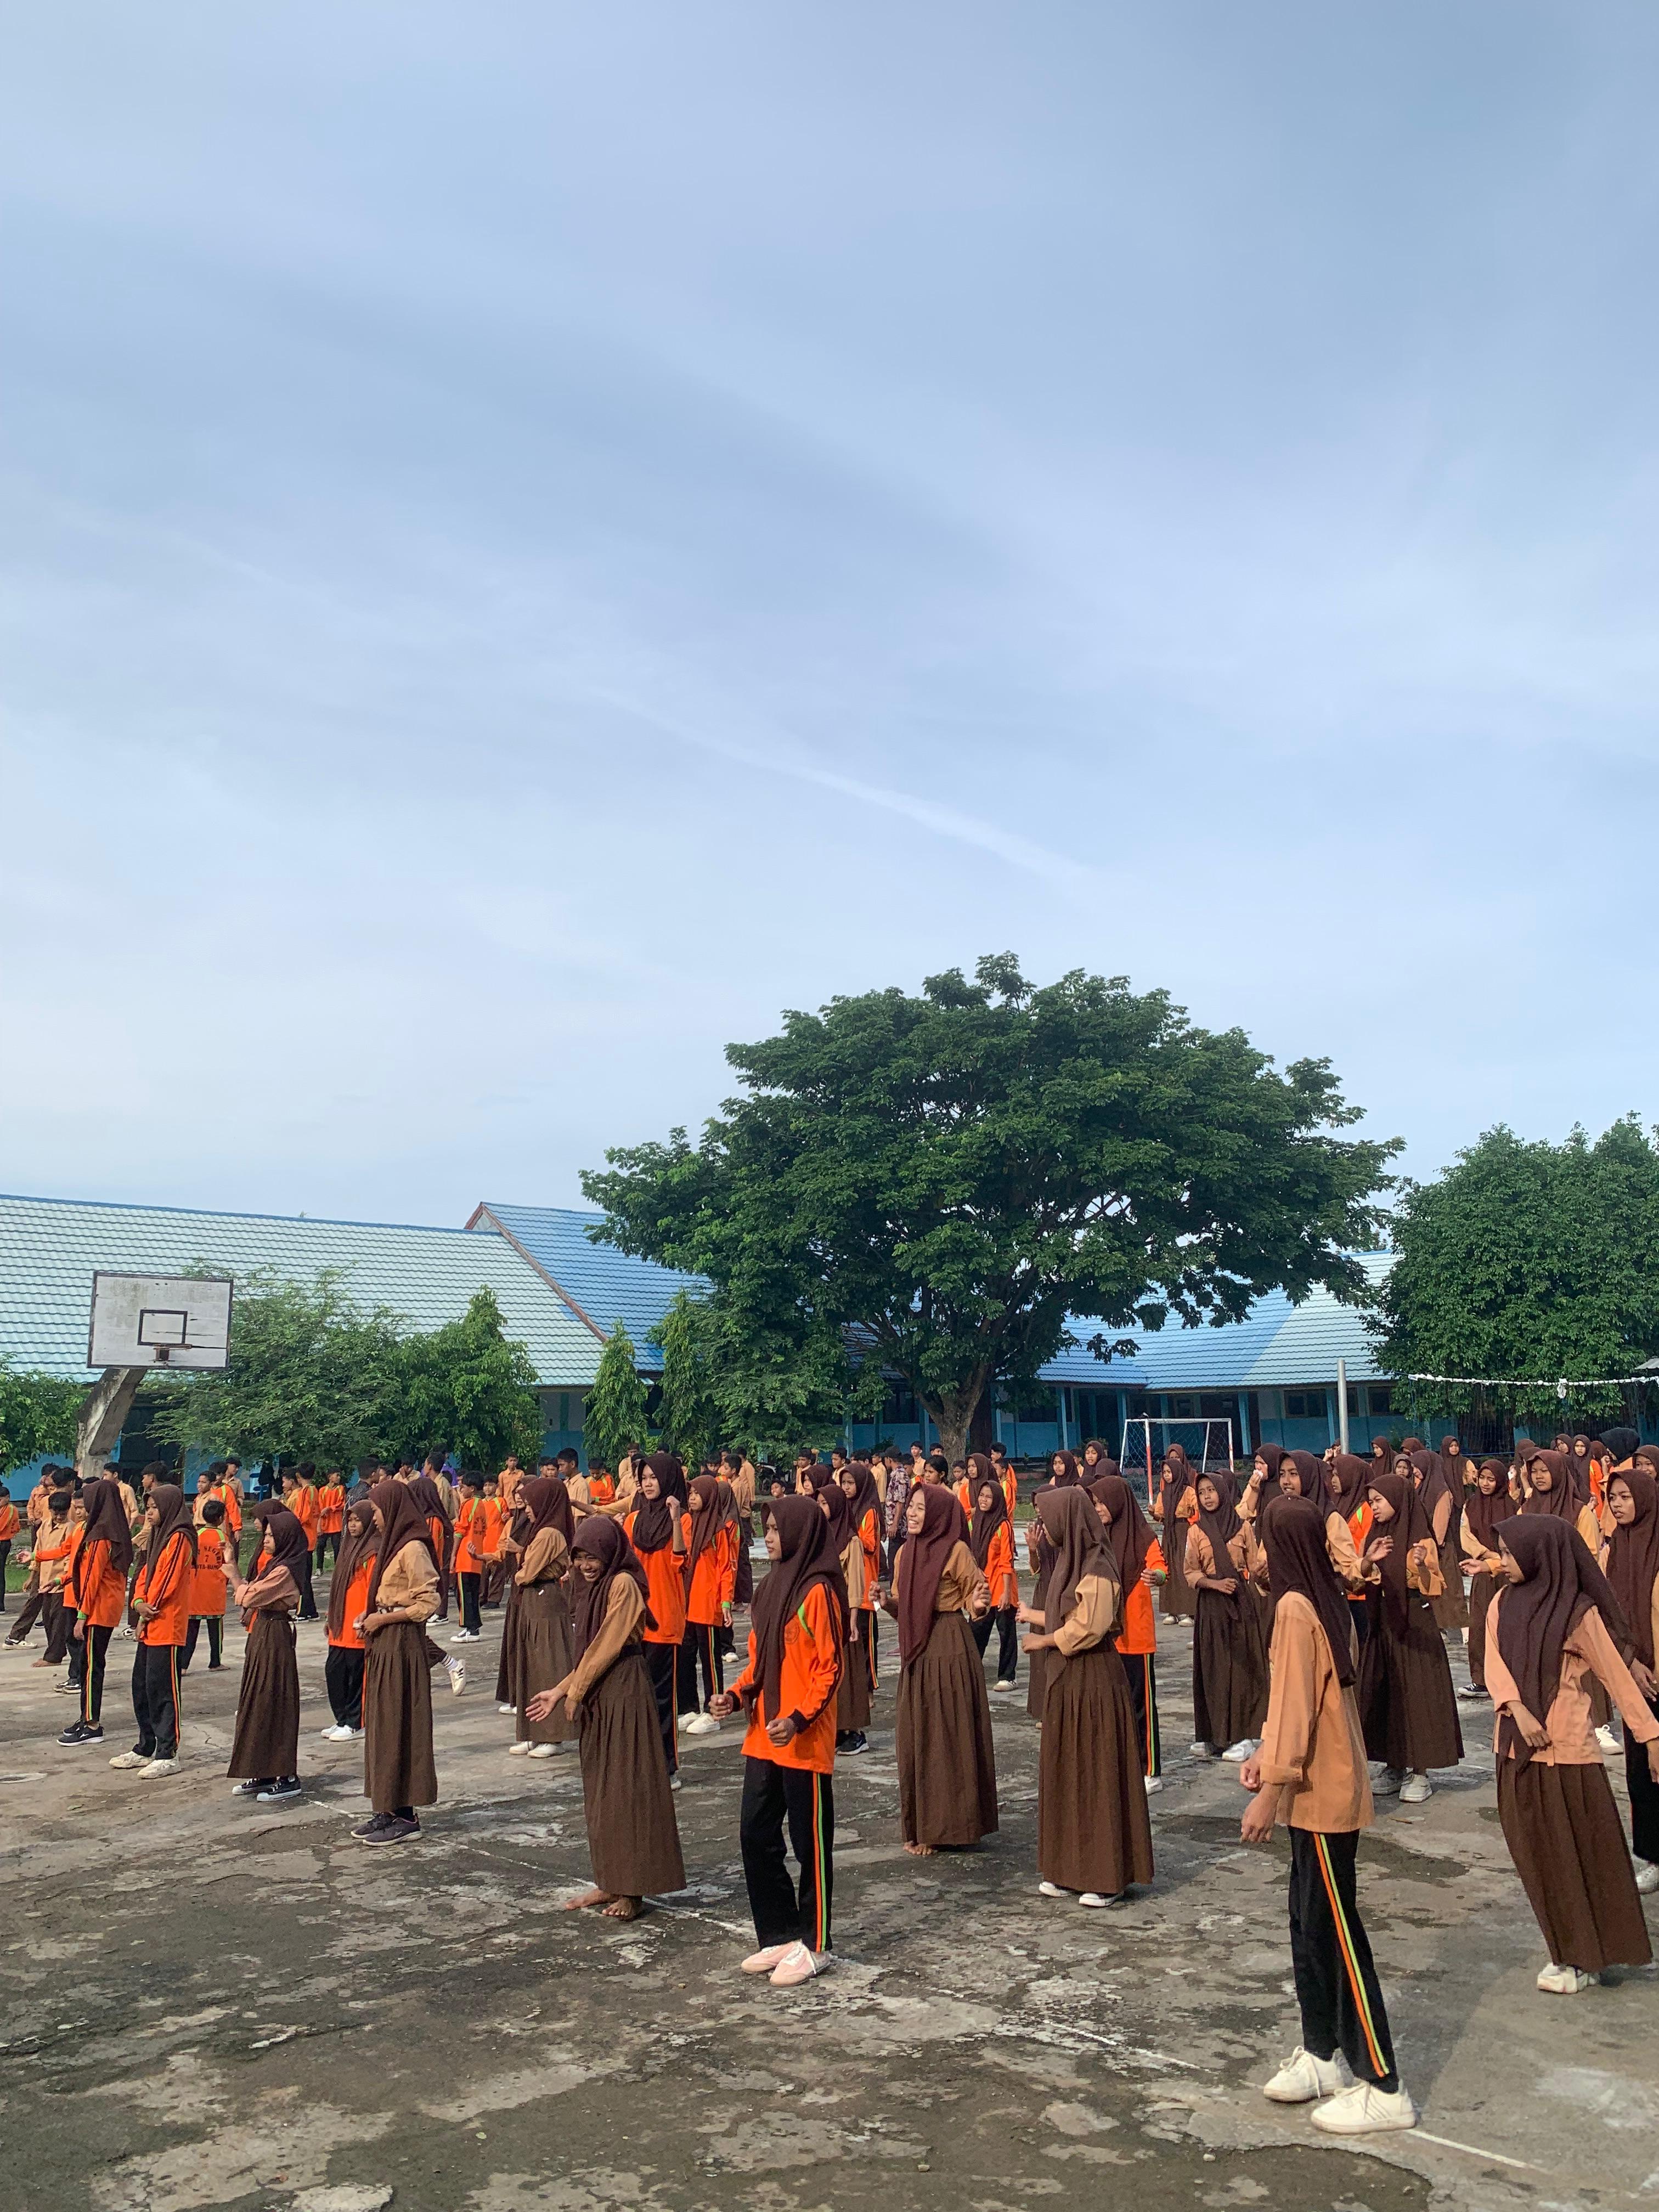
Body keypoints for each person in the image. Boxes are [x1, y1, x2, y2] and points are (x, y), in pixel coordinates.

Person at [1239, 1493, 1415, 2136]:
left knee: (1337, 1935)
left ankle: (1384, 2084)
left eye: (1264, 1539)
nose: (1259, 1552)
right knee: (1308, 1924)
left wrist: (1270, 1789)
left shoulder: (1295, 1606)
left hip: (1322, 1792)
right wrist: (1267, 1755)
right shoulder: (1323, 1596)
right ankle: (1321, 2054)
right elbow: (1297, 1701)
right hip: (1314, 1786)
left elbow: (1296, 1708)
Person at [1486, 1515, 1658, 1994]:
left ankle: (1582, 1958)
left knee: (1578, 1859)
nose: (1503, 1562)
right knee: (1537, 1859)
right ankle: (1567, 1951)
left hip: (1567, 1754)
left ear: (1541, 1555)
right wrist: (1517, 1709)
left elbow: (1614, 1676)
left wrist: (1650, 1736)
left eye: (1510, 1553)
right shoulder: (1501, 1602)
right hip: (1515, 1745)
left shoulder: (1578, 1613)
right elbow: (1494, 1663)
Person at [709, 1497, 844, 1985]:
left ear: (799, 1533)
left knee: (811, 1846)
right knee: (755, 1833)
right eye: (764, 1529)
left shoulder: (818, 1592)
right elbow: (759, 1662)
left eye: (774, 1529)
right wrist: (734, 1694)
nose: (766, 1538)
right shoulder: (769, 1589)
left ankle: (816, 1942)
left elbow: (830, 1669)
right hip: (764, 1736)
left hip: (802, 1739)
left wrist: (799, 1718)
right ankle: (781, 1933)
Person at [527, 1516, 685, 1921]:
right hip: (600, 1690)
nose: (585, 1565)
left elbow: (608, 1645)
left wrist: (576, 1692)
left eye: (593, 1557)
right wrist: (560, 1691)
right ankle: (610, 1880)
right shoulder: (594, 1587)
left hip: (624, 1690)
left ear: (611, 1552)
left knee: (626, 1788)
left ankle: (633, 1889)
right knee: (601, 1791)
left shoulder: (623, 1584)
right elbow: (589, 1654)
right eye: (579, 1557)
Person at [1020, 1487, 1153, 1908]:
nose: (1045, 1528)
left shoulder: (1097, 1565)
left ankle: (1106, 1875)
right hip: (1068, 1680)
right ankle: (1068, 1869)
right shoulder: (1069, 1562)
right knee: (1069, 1773)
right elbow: (1063, 1615)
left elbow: (1089, 1628)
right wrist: (1037, 1621)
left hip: (1093, 1679)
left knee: (1096, 1773)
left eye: (1049, 1519)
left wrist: (1043, 1642)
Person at [885, 1483, 996, 1856]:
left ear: (937, 1514)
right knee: (915, 1736)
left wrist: (978, 1605)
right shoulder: (905, 1553)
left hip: (949, 1646)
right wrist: (886, 1602)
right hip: (917, 1651)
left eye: (920, 1508)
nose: (912, 1513)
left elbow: (976, 1598)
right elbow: (902, 1605)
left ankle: (946, 1826)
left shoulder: (956, 1551)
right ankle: (920, 1824)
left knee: (946, 1736)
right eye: (911, 1507)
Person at [1357, 1470, 1463, 1803]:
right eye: (1371, 1502)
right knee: (1388, 1693)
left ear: (1397, 1500)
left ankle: (1419, 1772)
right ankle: (1393, 1765)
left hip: (1415, 1625)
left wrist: (1419, 1566)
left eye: (1379, 1500)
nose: (1374, 1507)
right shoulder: (1375, 1536)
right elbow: (1358, 1579)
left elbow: (1435, 1587)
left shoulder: (1420, 1539)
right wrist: (1366, 1562)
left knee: (1417, 1695)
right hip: (1383, 1623)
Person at [351, 1480, 440, 1844]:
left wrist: (385, 1618)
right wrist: (371, 1616)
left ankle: (405, 1815)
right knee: (383, 1725)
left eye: (376, 1510)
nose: (374, 1517)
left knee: (400, 1724)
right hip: (385, 1641)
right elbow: (389, 1596)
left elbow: (428, 1603)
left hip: (402, 1644)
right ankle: (385, 1808)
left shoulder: (413, 1548)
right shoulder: (392, 1547)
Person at [109, 1484, 196, 1778]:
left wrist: (147, 1610)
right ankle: (146, 1746)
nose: (149, 1513)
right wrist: (137, 1602)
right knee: (142, 1687)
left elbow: (167, 1581)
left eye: (155, 1508)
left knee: (164, 1691)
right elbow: (145, 1574)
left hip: (166, 1624)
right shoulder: (158, 1536)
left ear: (169, 1508)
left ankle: (168, 1752)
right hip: (150, 1623)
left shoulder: (180, 1537)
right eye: (147, 1508)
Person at [1090, 1469, 1167, 1791]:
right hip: (1107, 1636)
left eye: (1101, 1503)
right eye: (1095, 1504)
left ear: (1117, 1502)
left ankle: (1151, 1770)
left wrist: (1157, 1578)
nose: (1098, 1509)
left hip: (1136, 1636)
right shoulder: (1097, 1539)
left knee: (1142, 1706)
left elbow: (1161, 1568)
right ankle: (1123, 1766)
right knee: (1113, 1706)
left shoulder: (1143, 1537)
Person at [1186, 1472, 1268, 1761]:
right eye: (1202, 1492)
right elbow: (1190, 1572)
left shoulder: (1242, 1527)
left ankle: (1243, 1736)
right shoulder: (1196, 1531)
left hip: (1240, 1605)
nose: (1207, 1497)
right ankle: (1213, 1735)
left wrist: (1261, 1579)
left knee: (1242, 1669)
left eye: (1211, 1490)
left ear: (1222, 1491)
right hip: (1211, 1608)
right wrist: (1215, 1584)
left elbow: (1255, 1566)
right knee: (1213, 1669)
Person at [1604, 1463, 1659, 1893]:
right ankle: (1655, 1857)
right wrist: (1631, 1662)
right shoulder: (1615, 1552)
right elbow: (1608, 1616)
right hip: (1636, 1679)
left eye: (1626, 1497)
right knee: (1644, 1773)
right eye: (1613, 1498)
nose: (1618, 1505)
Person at [227, 1505, 306, 1802]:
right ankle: (263, 1770)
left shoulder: (286, 1570)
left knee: (276, 1701)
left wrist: (234, 1575)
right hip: (263, 1631)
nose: (266, 1539)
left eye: (272, 1536)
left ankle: (287, 1775)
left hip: (275, 1635)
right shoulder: (274, 1564)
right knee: (258, 1701)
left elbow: (250, 1596)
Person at [624, 1452, 689, 1778]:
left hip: (665, 1620)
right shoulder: (634, 1520)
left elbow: (681, 1561)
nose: (648, 1484)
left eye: (654, 1478)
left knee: (663, 1698)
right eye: (644, 1478)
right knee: (636, 1696)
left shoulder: (684, 1520)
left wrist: (675, 1519)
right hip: (637, 1621)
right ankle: (642, 1762)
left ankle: (668, 1767)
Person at [504, 1474, 577, 1760]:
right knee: (531, 1665)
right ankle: (533, 1732)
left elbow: (526, 1573)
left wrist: (521, 1570)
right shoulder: (540, 1530)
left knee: (549, 1664)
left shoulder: (549, 1534)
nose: (528, 1509)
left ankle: (553, 1734)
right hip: (534, 1600)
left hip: (545, 1600)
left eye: (532, 1503)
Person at [55, 1479, 129, 1746]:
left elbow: (92, 1579)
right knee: (91, 1665)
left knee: (90, 1667)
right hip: (104, 1607)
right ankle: (85, 1717)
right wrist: (62, 1580)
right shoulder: (114, 1529)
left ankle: (91, 1724)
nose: (82, 1507)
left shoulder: (99, 1536)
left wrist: (81, 1616)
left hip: (97, 1609)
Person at [812, 1474, 869, 1754]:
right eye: (818, 1502)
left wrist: (853, 1620)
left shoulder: (851, 1540)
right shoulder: (819, 1537)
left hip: (843, 1615)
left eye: (825, 1503)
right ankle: (834, 1728)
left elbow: (856, 1582)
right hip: (822, 1613)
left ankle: (853, 1732)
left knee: (846, 1675)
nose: (821, 1507)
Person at [678, 1475, 737, 1736]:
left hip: (708, 1603)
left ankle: (714, 1712)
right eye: (690, 1493)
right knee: (686, 1656)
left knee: (711, 1660)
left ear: (709, 1497)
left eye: (696, 1494)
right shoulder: (687, 1523)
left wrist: (726, 1602)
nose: (692, 1498)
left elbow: (726, 1567)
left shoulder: (718, 1530)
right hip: (688, 1603)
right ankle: (690, 1707)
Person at [321, 1497, 377, 1740]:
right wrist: (330, 1616)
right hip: (340, 1623)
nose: (353, 1525)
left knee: (356, 1677)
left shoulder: (372, 1550)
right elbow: (337, 1585)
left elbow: (373, 1589)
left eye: (357, 1520)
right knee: (334, 1672)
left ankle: (356, 1723)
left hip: (357, 1624)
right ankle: (341, 1719)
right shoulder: (347, 1546)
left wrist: (368, 1616)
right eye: (350, 1520)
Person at [1458, 1460, 1513, 1702]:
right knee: (1480, 1624)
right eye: (1482, 1478)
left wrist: (1500, 1558)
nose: (1486, 1484)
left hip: (1509, 1574)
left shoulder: (1513, 1507)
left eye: (1491, 1479)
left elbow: (1516, 1536)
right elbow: (1466, 1536)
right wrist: (1488, 1555)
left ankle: (1509, 1679)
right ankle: (1481, 1679)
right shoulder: (1471, 1505)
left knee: (1507, 1625)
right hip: (1482, 1571)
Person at [967, 1455, 1019, 1692]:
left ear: (997, 1500)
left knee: (1006, 1633)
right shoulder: (976, 1520)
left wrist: (1007, 1593)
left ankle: (1008, 1676)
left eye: (989, 1497)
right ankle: (971, 1671)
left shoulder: (1003, 1525)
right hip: (983, 1587)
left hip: (1002, 1587)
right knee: (976, 1630)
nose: (984, 1500)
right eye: (982, 1496)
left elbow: (1007, 1561)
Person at [838, 1458, 884, 1706]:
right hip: (847, 1585)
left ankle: (869, 1690)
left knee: (867, 1643)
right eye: (843, 1483)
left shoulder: (869, 1511)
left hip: (867, 1587)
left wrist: (850, 1536)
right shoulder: (845, 1508)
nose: (846, 1487)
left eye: (850, 1483)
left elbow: (871, 1544)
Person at [181, 1497, 229, 1672]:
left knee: (190, 1631)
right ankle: (215, 1662)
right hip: (214, 1591)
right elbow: (228, 1564)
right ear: (221, 1519)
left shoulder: (195, 1536)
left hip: (194, 1590)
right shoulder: (222, 1538)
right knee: (215, 1630)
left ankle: (183, 1666)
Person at [1157, 1446, 1199, 1622]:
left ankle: (1189, 1611)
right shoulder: (1164, 1493)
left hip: (1184, 1531)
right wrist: (1154, 1512)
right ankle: (1172, 1611)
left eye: (1170, 1472)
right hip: (1169, 1533)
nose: (1167, 1475)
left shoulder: (1188, 1491)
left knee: (1184, 1568)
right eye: (1165, 1472)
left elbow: (1196, 1510)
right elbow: (1160, 1513)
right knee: (1170, 1568)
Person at [450, 1472, 487, 1643]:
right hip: (476, 1556)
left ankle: (470, 1628)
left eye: (463, 1487)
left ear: (472, 1489)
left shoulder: (468, 1504)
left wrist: (453, 1554)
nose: (461, 1490)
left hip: (465, 1556)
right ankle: (474, 1627)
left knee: (464, 1595)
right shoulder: (482, 1505)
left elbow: (460, 1530)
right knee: (472, 1594)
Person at [315, 1471, 346, 1573]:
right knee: (320, 1545)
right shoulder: (322, 1490)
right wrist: (319, 1524)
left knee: (337, 1547)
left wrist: (330, 1508)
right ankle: (319, 1568)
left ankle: (337, 1569)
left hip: (336, 1524)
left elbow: (342, 1504)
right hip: (325, 1524)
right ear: (330, 1477)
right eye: (337, 1475)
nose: (339, 1477)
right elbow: (320, 1508)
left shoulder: (341, 1489)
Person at [0, 1486, 19, 1612]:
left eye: (1, 1500)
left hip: (3, 1542)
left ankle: (0, 1605)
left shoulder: (10, 1509)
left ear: (7, 1498)